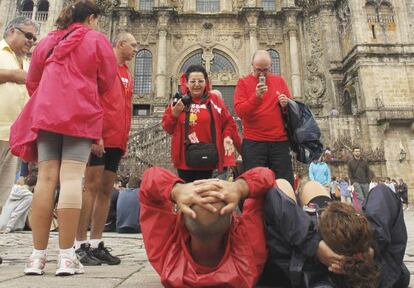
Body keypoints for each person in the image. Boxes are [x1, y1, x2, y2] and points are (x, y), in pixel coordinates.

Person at [9, 0, 117, 276]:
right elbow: (107, 80)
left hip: (47, 113)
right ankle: (67, 257)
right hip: (80, 112)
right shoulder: (97, 40)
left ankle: (36, 257)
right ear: (91, 18)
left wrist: (50, 98)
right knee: (71, 179)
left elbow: (33, 79)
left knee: (45, 180)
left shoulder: (48, 41)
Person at [140, 166, 275, 287]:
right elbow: (266, 177)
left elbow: (149, 178)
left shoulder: (167, 260)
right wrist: (240, 187)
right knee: (283, 184)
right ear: (231, 222)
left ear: (181, 219)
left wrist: (176, 190)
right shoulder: (248, 258)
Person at [262, 179, 409, 288]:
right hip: (334, 233)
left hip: (311, 233)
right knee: (310, 187)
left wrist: (314, 245)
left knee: (284, 183)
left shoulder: (302, 264)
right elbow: (383, 193)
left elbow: (273, 196)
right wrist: (373, 245)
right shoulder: (387, 269)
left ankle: (318, 215)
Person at [75, 32, 137, 266]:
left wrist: (125, 139)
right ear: (120, 44)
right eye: (132, 45)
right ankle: (79, 245)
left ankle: (96, 242)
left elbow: (125, 107)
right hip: (98, 137)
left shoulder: (127, 73)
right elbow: (93, 100)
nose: (135, 49)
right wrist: (95, 134)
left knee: (105, 191)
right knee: (90, 188)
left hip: (117, 140)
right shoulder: (103, 67)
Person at [162, 64, 235, 182]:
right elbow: (167, 128)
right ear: (186, 83)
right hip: (184, 159)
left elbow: (228, 122)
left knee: (204, 193)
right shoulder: (179, 101)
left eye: (200, 81)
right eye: (193, 81)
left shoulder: (214, 100)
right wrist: (174, 114)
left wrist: (227, 136)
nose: (197, 84)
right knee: (187, 193)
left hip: (208, 156)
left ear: (206, 83)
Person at [234, 50, 294, 185]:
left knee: (284, 184)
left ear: (271, 66)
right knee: (254, 184)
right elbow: (240, 112)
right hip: (254, 142)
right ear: (252, 65)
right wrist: (256, 97)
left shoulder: (279, 81)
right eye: (258, 70)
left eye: (265, 70)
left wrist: (285, 104)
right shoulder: (243, 83)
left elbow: (291, 111)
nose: (261, 73)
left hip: (279, 141)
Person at [0, 16, 37, 211]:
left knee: (4, 191)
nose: (31, 41)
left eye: (34, 38)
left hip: (14, 137)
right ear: (12, 31)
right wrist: (11, 75)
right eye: (28, 35)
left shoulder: (28, 63)